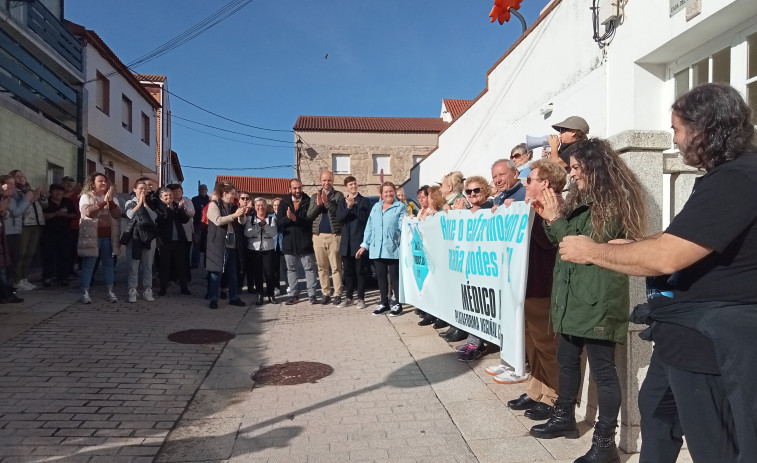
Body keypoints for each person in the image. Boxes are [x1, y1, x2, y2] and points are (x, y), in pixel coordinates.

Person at [558, 83, 757, 463]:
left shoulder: (737, 178)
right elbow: (689, 238)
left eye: (677, 130)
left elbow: (668, 257)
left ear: (705, 129)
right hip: (681, 335)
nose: (674, 139)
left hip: (711, 341)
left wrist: (594, 251)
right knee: (656, 412)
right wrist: (632, 245)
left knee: (713, 443)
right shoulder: (727, 176)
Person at [528, 138, 646, 463]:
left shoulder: (613, 202)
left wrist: (556, 220)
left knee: (604, 372)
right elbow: (561, 244)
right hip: (573, 296)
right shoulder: (583, 198)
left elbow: (584, 247)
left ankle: (605, 443)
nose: (574, 173)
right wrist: (548, 217)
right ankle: (564, 417)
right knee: (566, 357)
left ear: (595, 167)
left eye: (578, 167)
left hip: (597, 299)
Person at [494, 159, 566, 421]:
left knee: (546, 346)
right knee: (533, 346)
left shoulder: (554, 205)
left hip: (542, 288)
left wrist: (527, 214)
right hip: (527, 287)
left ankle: (554, 396)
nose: (526, 184)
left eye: (530, 180)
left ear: (545, 183)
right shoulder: (531, 207)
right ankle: (536, 390)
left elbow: (549, 242)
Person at [450, 176, 495, 361]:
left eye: (477, 190)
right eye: (469, 191)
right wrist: (457, 214)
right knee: (469, 304)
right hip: (468, 265)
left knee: (479, 305)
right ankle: (472, 339)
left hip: (484, 267)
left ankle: (476, 344)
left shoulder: (490, 208)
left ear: (485, 190)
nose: (473, 194)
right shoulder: (468, 211)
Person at [356, 181, 405, 317]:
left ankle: (397, 304)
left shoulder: (400, 207)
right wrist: (364, 245)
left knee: (395, 278)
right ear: (381, 194)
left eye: (391, 191)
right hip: (377, 248)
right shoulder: (376, 207)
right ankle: (384, 302)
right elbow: (370, 227)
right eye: (386, 192)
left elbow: (404, 227)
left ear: (394, 192)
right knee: (381, 277)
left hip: (393, 248)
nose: (388, 194)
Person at [77, 172, 122, 304]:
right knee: (88, 265)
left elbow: (118, 214)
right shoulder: (86, 197)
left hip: (108, 237)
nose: (104, 183)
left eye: (105, 181)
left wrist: (110, 201)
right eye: (100, 181)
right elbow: (88, 212)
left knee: (109, 265)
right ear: (93, 183)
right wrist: (103, 202)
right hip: (92, 237)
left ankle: (110, 291)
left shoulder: (112, 197)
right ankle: (85, 292)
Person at [206, 182, 248, 309]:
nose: (235, 196)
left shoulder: (233, 206)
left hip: (232, 244)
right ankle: (213, 298)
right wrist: (234, 215)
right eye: (233, 193)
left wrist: (242, 214)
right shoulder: (214, 205)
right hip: (218, 244)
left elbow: (242, 222)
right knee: (216, 272)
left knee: (233, 273)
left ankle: (234, 297)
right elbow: (218, 221)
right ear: (225, 193)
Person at [277, 179, 318, 305]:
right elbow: (279, 222)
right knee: (291, 270)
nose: (297, 190)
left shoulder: (308, 201)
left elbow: (310, 221)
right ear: (290, 189)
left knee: (310, 269)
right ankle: (293, 295)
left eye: (299, 187)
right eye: (294, 188)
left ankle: (312, 295)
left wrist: (296, 219)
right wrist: (289, 219)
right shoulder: (284, 203)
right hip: (289, 243)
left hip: (305, 242)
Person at [307, 170, 344, 305]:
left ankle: (337, 294)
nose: (326, 183)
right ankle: (325, 293)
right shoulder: (313, 196)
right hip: (318, 236)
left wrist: (327, 202)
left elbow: (339, 213)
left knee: (336, 267)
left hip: (334, 235)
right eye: (324, 180)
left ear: (332, 181)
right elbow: (309, 216)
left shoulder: (339, 195)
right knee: (322, 267)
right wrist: (318, 205)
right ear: (320, 180)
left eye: (329, 180)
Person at [336, 176, 371, 309]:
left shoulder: (364, 201)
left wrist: (353, 207)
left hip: (359, 242)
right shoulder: (341, 202)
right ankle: (348, 297)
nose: (353, 186)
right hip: (346, 244)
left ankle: (361, 298)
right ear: (346, 187)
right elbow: (339, 218)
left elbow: (364, 219)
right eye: (350, 184)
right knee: (348, 272)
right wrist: (348, 207)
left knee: (360, 272)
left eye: (355, 184)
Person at [8, 170, 45, 290]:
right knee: (21, 253)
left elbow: (44, 205)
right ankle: (17, 279)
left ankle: (24, 278)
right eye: (17, 177)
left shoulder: (29, 190)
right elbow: (18, 209)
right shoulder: (14, 192)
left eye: (22, 176)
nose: (20, 178)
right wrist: (30, 198)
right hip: (23, 225)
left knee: (30, 253)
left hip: (36, 223)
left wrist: (42, 196)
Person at [123, 180, 158, 303]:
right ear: (134, 189)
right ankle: (132, 290)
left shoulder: (151, 202)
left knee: (148, 266)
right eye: (140, 188)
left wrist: (145, 204)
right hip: (134, 238)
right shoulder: (129, 202)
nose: (143, 191)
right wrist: (139, 203)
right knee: (133, 266)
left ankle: (147, 290)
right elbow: (130, 215)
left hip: (148, 238)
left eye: (145, 189)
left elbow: (154, 217)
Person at [244, 197, 278, 305]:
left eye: (262, 205)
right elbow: (247, 233)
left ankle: (271, 294)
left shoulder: (272, 218)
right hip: (254, 249)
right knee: (257, 273)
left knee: (269, 273)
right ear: (255, 207)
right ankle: (259, 294)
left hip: (268, 249)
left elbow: (273, 233)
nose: (260, 207)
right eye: (258, 205)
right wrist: (259, 226)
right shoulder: (250, 218)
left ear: (266, 206)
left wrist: (265, 226)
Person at [41, 184, 76, 286]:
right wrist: (55, 214)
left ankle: (63, 277)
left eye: (61, 191)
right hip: (48, 233)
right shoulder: (46, 202)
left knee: (65, 256)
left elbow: (74, 214)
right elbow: (43, 216)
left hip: (65, 232)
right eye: (56, 191)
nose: (59, 193)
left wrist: (65, 215)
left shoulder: (67, 202)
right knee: (48, 256)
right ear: (51, 192)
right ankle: (47, 277)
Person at [0, 175, 23, 303]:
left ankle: (6, 292)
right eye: (9, 184)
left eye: (14, 184)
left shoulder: (9, 198)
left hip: (4, 233)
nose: (13, 187)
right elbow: (13, 212)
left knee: (5, 265)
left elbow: (7, 214)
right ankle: (6, 293)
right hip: (7, 233)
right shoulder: (4, 198)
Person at [169, 184, 195, 283]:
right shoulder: (169, 201)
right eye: (175, 191)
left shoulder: (187, 200)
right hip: (173, 234)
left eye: (179, 191)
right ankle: (173, 277)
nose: (177, 193)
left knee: (185, 257)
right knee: (173, 258)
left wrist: (182, 207)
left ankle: (186, 278)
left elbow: (192, 213)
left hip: (186, 234)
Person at [191, 184, 210, 268]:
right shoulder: (194, 199)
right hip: (197, 224)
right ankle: (195, 263)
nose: (202, 191)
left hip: (208, 225)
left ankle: (207, 264)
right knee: (196, 243)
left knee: (207, 245)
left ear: (207, 190)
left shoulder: (209, 200)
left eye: (204, 189)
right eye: (200, 189)